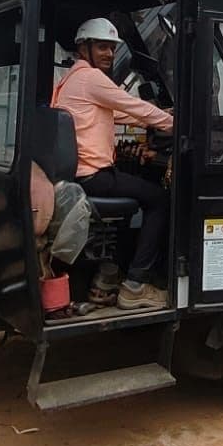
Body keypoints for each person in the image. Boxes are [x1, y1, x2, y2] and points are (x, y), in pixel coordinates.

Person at [53, 17, 174, 310]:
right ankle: (136, 285)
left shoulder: (71, 80)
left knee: (137, 196)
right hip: (93, 175)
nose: (109, 53)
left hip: (77, 174)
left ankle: (117, 273)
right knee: (160, 199)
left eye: (111, 48)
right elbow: (130, 104)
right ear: (84, 47)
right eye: (102, 47)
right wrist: (177, 123)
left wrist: (159, 116)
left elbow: (118, 113)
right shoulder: (92, 79)